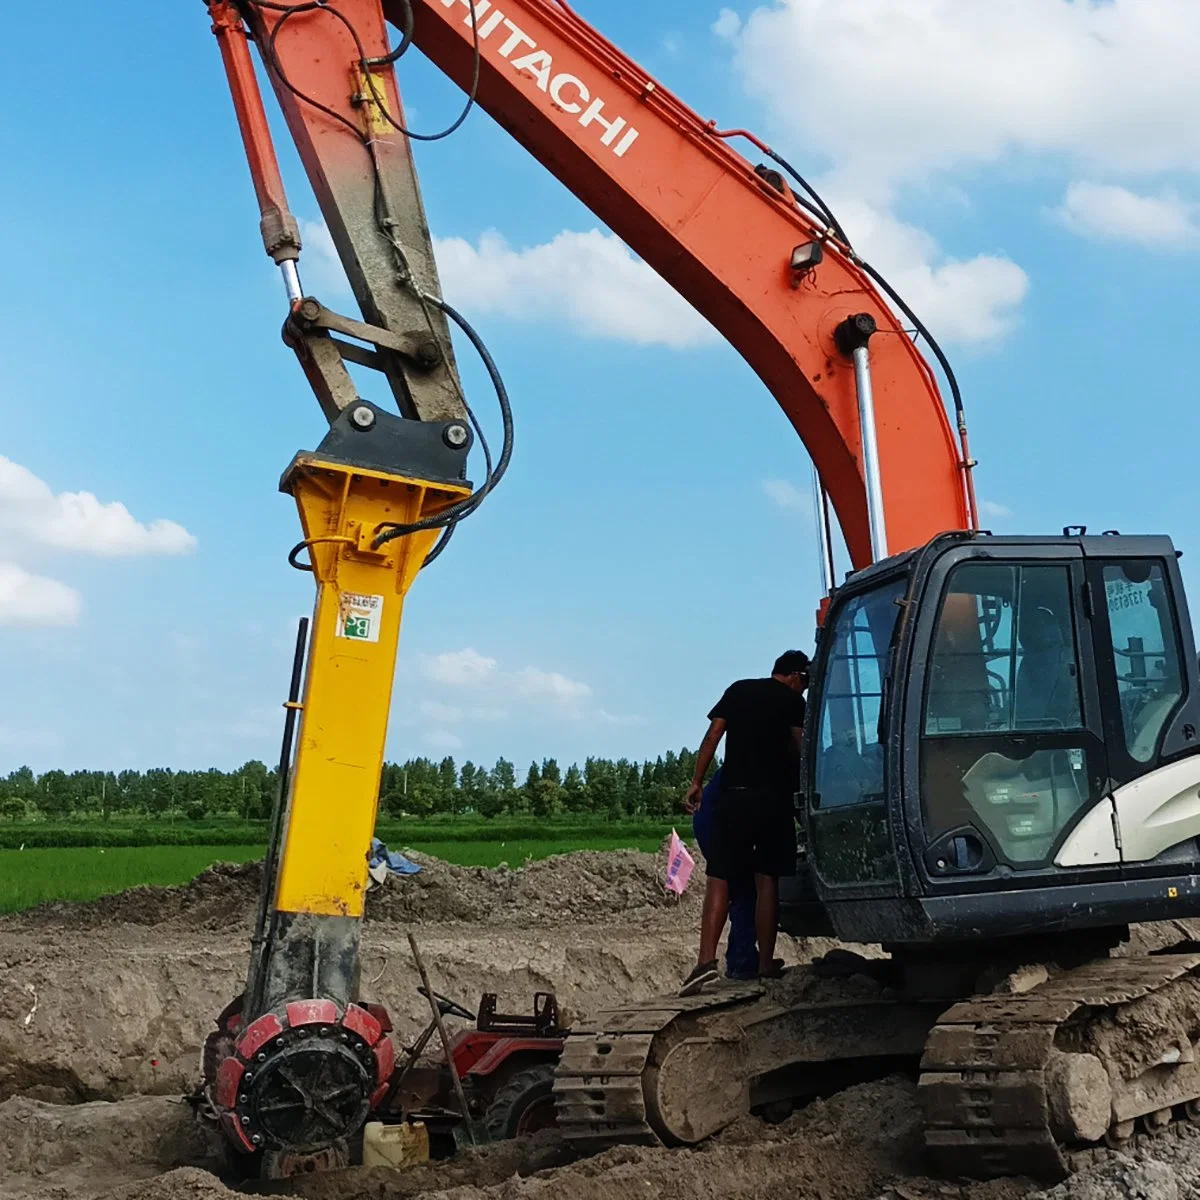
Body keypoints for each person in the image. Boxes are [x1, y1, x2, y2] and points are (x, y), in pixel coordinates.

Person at [680, 650, 809, 995]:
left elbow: (713, 736)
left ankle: (705, 962)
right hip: (774, 800)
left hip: (734, 797)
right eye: (805, 683)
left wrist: (696, 781)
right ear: (795, 676)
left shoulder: (738, 690)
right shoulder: (793, 702)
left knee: (720, 877)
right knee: (767, 880)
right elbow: (800, 748)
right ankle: (765, 964)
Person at [690, 766, 758, 979]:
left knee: (742, 888)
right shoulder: (762, 760)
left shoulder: (743, 757)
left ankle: (740, 959)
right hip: (719, 820)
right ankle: (741, 962)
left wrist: (697, 782)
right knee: (744, 888)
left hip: (715, 816)